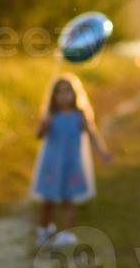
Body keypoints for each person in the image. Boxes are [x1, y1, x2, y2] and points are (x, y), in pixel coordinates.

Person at [31, 73, 112, 248]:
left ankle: (66, 233)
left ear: (75, 94)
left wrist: (103, 153)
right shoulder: (51, 115)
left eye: (68, 91)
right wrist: (44, 124)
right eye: (60, 92)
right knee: (48, 200)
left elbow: (92, 135)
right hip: (52, 164)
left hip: (71, 164)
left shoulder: (79, 115)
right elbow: (38, 135)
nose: (64, 96)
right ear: (54, 96)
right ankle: (44, 230)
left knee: (69, 199)